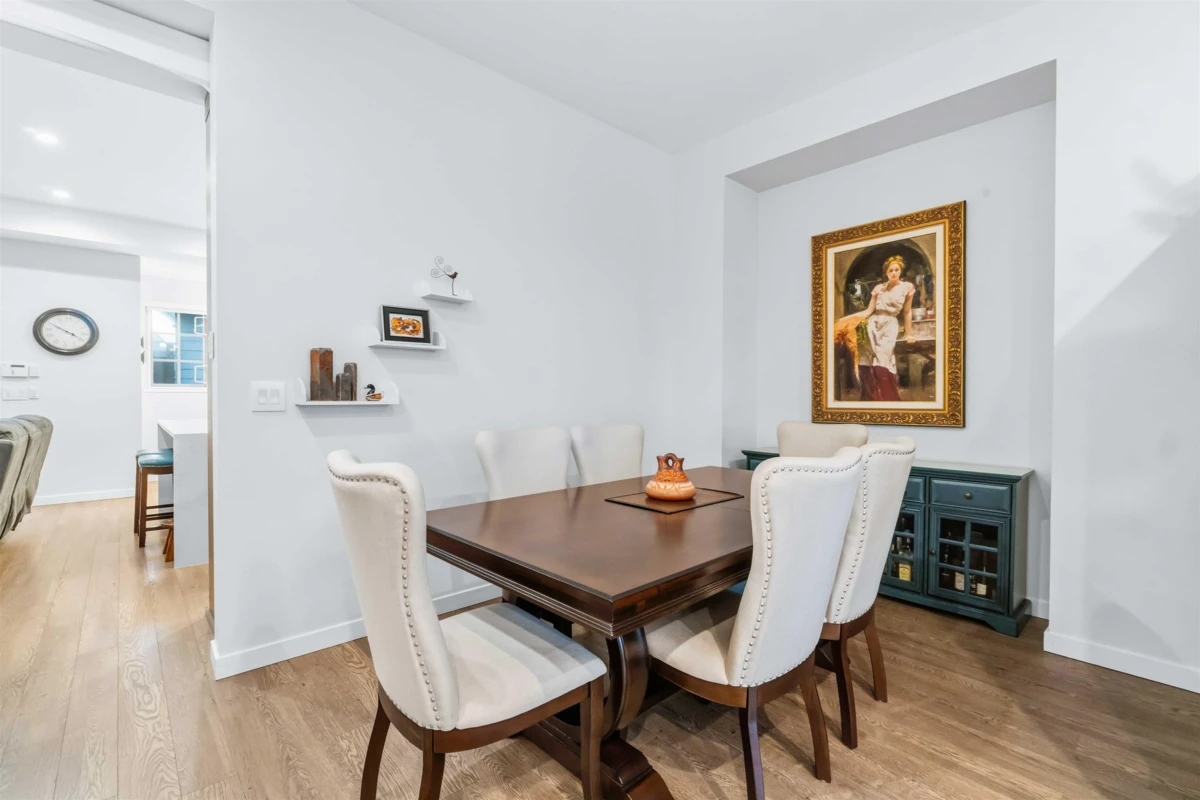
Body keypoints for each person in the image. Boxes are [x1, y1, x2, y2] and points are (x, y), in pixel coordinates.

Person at [837, 254, 915, 401]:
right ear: (886, 272)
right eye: (890, 270)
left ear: (900, 271)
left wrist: (908, 334)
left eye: (896, 269)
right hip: (872, 325)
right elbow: (868, 311)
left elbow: (907, 311)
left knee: (884, 360)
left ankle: (888, 398)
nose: (894, 273)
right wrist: (845, 319)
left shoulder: (907, 287)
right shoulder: (879, 288)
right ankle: (870, 398)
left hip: (889, 325)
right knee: (867, 358)